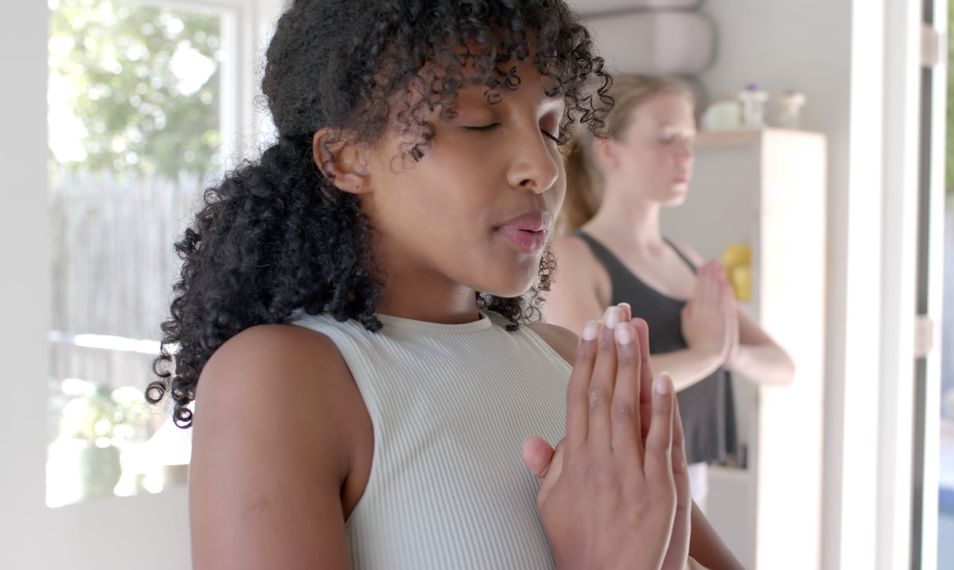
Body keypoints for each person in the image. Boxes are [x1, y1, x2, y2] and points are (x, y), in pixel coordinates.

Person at [144, 1, 742, 568]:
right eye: (481, 123)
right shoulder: (284, 379)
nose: (542, 166)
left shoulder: (570, 364)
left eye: (551, 126)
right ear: (347, 158)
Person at [545, 74, 795, 505]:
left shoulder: (688, 260)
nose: (685, 157)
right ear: (608, 150)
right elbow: (596, 385)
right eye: (665, 139)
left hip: (692, 481)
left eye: (690, 142)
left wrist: (730, 351)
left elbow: (782, 367)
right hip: (619, 491)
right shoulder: (571, 258)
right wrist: (707, 354)